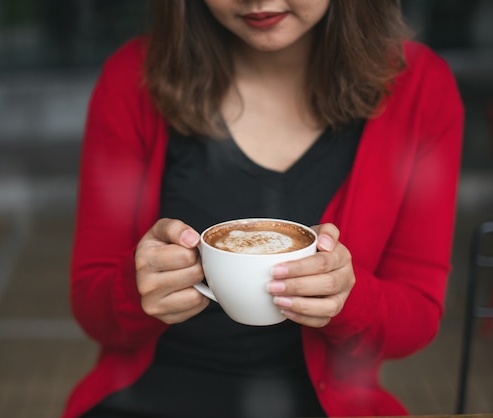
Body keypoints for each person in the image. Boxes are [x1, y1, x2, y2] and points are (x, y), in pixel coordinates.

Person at [62, 1, 464, 417]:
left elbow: (417, 319)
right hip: (150, 393)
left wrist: (349, 298)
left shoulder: (420, 87)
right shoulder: (133, 77)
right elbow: (91, 306)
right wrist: (136, 287)